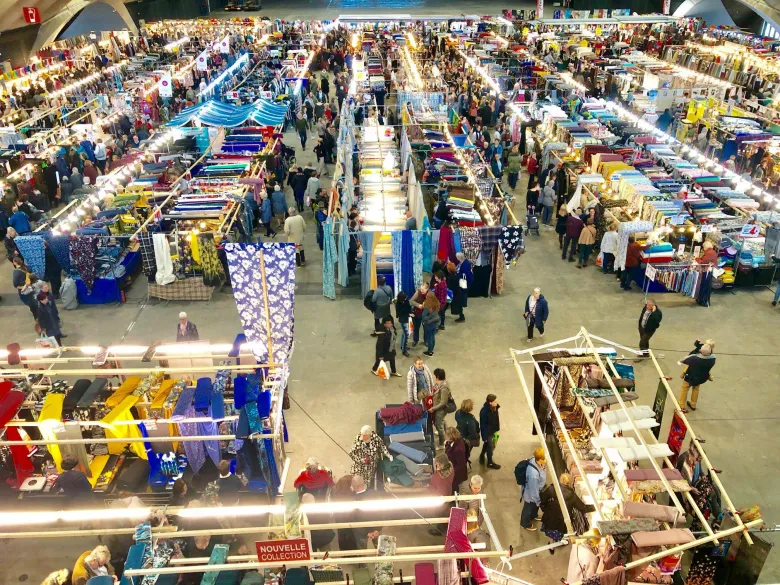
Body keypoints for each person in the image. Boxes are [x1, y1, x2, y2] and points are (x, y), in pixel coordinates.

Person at [539, 473, 594, 544]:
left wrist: (545, 510)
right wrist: (596, 506)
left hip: (550, 516)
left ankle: (551, 544)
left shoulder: (552, 489)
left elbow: (542, 500)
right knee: (558, 533)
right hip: (562, 521)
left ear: (560, 480)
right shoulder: (572, 496)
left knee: (551, 532)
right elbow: (584, 508)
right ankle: (557, 541)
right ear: (570, 482)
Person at [348, 425, 391, 489]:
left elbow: (382, 446)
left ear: (369, 435)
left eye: (364, 435)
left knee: (368, 482)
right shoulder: (358, 439)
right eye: (362, 434)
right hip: (360, 467)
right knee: (357, 483)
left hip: (371, 466)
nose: (362, 436)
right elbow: (351, 453)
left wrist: (388, 455)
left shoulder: (375, 437)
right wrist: (360, 460)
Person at [678, 340, 716, 411]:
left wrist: (683, 372)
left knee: (684, 389)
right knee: (696, 389)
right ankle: (693, 404)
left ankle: (681, 405)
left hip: (690, 376)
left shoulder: (695, 358)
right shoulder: (713, 359)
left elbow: (685, 360)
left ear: (701, 351)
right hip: (701, 378)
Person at [350, 475, 382, 548]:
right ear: (363, 483)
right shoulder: (375, 493)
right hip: (377, 529)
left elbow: (354, 520)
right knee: (380, 549)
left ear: (353, 487)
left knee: (362, 551)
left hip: (362, 533)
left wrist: (366, 533)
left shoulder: (353, 501)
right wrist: (378, 529)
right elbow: (382, 513)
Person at [520, 448, 547, 531]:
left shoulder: (534, 460)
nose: (547, 459)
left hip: (537, 490)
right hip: (531, 494)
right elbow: (533, 490)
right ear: (540, 459)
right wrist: (538, 501)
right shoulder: (533, 475)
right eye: (545, 458)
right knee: (528, 507)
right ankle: (525, 523)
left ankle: (534, 515)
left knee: (534, 506)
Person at [429, 368, 451, 446]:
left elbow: (443, 403)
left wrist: (433, 408)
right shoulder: (440, 383)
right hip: (437, 407)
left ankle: (442, 444)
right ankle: (447, 433)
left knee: (439, 427)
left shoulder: (444, 388)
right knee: (442, 421)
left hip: (440, 410)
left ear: (437, 377)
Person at [479, 394, 501, 469]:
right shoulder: (484, 412)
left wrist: (496, 429)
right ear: (490, 402)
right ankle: (490, 463)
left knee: (487, 444)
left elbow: (495, 419)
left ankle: (482, 455)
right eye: (494, 401)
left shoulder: (494, 407)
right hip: (487, 432)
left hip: (493, 430)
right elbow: (483, 425)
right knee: (490, 447)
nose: (496, 402)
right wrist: (484, 437)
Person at [451, 252, 472, 323]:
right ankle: (461, 315)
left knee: (460, 299)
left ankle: (461, 316)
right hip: (462, 284)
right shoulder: (463, 263)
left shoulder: (464, 265)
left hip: (462, 284)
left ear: (459, 258)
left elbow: (465, 275)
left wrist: (457, 275)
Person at [421, 291, 441, 357]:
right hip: (435, 322)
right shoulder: (437, 302)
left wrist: (424, 321)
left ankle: (429, 352)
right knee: (432, 336)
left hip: (428, 323)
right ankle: (432, 350)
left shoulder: (427, 304)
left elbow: (423, 315)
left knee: (429, 337)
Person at [395, 291, 412, 357]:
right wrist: (408, 313)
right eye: (404, 298)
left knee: (404, 334)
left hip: (407, 319)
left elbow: (408, 307)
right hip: (403, 321)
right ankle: (404, 350)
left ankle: (402, 346)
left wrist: (410, 312)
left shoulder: (406, 300)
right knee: (406, 335)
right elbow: (400, 313)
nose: (406, 298)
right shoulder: (398, 304)